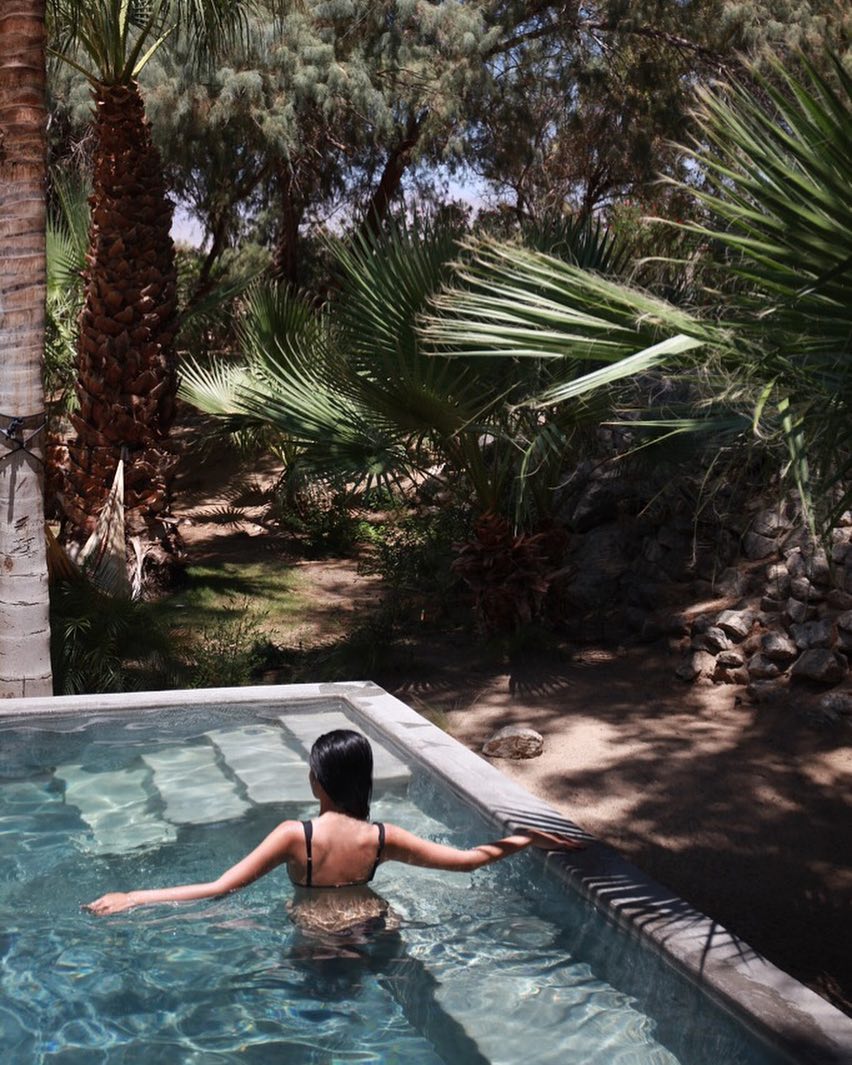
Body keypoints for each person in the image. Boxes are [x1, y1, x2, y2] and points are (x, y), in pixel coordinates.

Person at [85, 729, 583, 921]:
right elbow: (468, 861)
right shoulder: (382, 838)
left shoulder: (294, 836)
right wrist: (527, 837)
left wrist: (135, 897)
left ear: (318, 781)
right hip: (369, 922)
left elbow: (219, 888)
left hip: (314, 930)